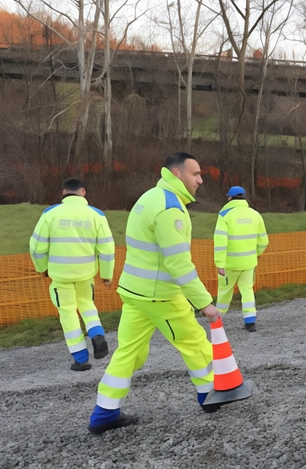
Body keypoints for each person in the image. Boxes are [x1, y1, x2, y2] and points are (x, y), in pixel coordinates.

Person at [87, 152, 223, 434]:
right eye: (195, 173)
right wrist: (204, 303)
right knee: (195, 343)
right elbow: (178, 262)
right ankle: (210, 397)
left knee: (128, 352)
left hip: (136, 292)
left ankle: (104, 413)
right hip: (160, 294)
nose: (200, 180)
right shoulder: (171, 208)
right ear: (176, 173)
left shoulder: (150, 197)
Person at [29, 177, 115, 371]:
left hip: (60, 277)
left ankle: (81, 359)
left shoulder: (50, 214)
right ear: (83, 192)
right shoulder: (97, 215)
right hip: (86, 275)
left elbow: (36, 246)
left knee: (68, 313)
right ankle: (98, 336)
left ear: (63, 193)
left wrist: (42, 268)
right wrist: (106, 275)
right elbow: (107, 249)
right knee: (87, 305)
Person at [214, 186, 268, 332]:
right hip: (249, 263)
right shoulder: (255, 214)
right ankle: (250, 322)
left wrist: (219, 263)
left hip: (229, 264)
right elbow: (264, 241)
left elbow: (220, 242)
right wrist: (254, 254)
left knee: (225, 292)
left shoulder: (224, 215)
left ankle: (217, 322)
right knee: (247, 290)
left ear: (230, 198)